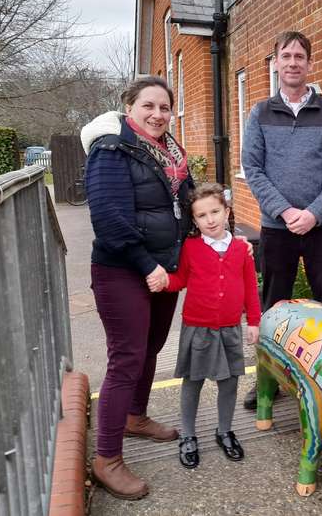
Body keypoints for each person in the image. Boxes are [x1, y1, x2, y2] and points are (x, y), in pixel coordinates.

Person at [80, 76, 194, 500]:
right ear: (129, 107)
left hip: (164, 269)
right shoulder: (111, 148)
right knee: (126, 357)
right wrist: (147, 265)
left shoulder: (172, 152)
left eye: (164, 107)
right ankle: (106, 457)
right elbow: (108, 220)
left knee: (151, 346)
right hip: (122, 269)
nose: (157, 115)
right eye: (148, 106)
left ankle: (135, 415)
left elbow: (185, 204)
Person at [241, 31, 322, 410]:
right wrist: (286, 212)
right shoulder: (260, 112)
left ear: (309, 63)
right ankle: (266, 382)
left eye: (299, 56)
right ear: (275, 63)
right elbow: (252, 168)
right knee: (272, 307)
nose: (292, 62)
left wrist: (314, 213)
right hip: (277, 229)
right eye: (285, 55)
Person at [146, 183, 261, 469]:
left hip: (230, 328)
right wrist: (163, 282)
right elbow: (180, 280)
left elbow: (250, 288)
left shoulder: (240, 249)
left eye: (215, 212)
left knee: (230, 382)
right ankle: (188, 435)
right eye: (201, 215)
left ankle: (224, 431)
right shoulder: (190, 247)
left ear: (227, 211)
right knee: (192, 382)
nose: (210, 220)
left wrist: (254, 322)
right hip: (197, 327)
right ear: (194, 221)